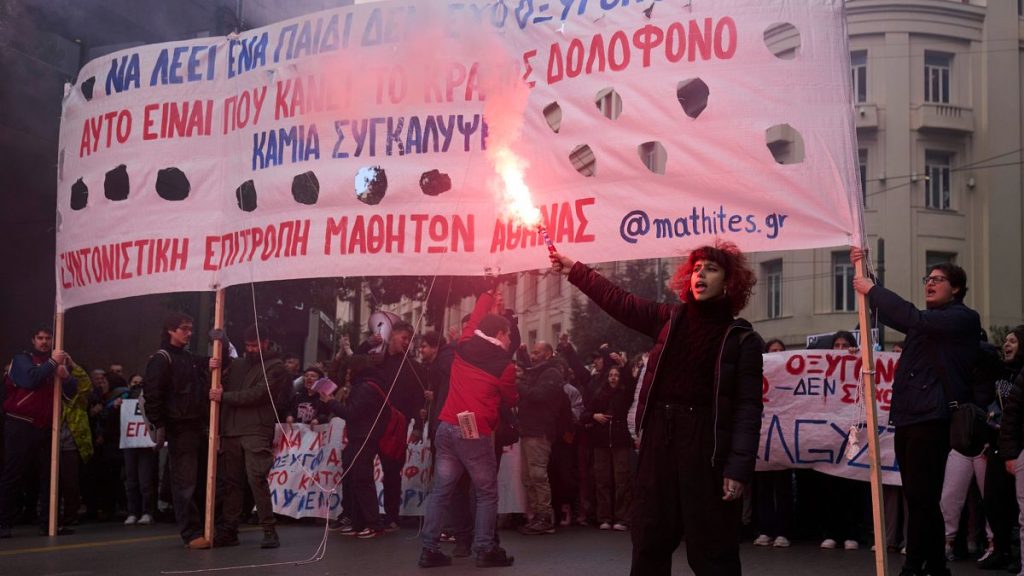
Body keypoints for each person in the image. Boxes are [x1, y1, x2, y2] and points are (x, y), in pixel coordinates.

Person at [551, 240, 764, 576]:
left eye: (711, 269)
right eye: (696, 268)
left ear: (729, 281)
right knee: (649, 540)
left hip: (705, 448)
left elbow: (748, 411)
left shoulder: (742, 340)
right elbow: (621, 302)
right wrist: (575, 271)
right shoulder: (669, 319)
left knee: (712, 551)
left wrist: (737, 470)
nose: (701, 275)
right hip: (659, 443)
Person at [851, 248, 981, 576]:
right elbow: (898, 316)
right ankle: (936, 565)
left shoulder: (961, 318)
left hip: (933, 418)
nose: (930, 284)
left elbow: (910, 317)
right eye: (928, 279)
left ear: (957, 289)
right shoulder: (928, 323)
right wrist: (864, 268)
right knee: (918, 496)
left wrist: (873, 289)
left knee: (921, 496)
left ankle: (912, 566)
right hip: (909, 415)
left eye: (939, 279)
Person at [419, 289, 519, 569]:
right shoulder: (505, 366)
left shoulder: (462, 346)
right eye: (508, 335)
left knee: (442, 490)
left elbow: (476, 319)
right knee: (486, 492)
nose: (510, 340)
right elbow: (511, 398)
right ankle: (485, 548)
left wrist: (488, 294)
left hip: (447, 425)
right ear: (500, 334)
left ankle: (429, 549)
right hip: (473, 431)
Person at [143, 313, 218, 549]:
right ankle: (190, 532)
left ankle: (199, 527)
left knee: (197, 479)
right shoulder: (161, 359)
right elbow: (153, 395)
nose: (189, 333)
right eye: (184, 329)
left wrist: (221, 343)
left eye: (190, 328)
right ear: (171, 331)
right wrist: (160, 425)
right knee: (185, 482)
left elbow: (215, 361)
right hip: (179, 426)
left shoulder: (188, 357)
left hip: (195, 424)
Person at [209, 324, 288, 549]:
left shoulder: (277, 367)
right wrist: (218, 351)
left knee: (256, 479)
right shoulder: (238, 364)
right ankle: (229, 530)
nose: (251, 349)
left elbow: (259, 394)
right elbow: (219, 374)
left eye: (255, 345)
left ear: (265, 342)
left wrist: (225, 397)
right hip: (232, 430)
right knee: (232, 483)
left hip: (255, 430)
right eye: (248, 345)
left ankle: (269, 530)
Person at [0, 328, 80, 538]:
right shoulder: (21, 359)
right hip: (20, 424)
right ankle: (3, 522)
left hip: (45, 427)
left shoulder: (56, 364)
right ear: (33, 340)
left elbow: (71, 393)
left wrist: (66, 375)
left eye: (48, 338)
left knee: (49, 476)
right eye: (40, 338)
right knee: (13, 474)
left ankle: (49, 523)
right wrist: (53, 364)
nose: (44, 342)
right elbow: (31, 380)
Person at [320, 354, 389, 539]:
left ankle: (373, 523)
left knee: (361, 480)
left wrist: (331, 402)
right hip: (362, 436)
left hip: (363, 437)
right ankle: (358, 522)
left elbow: (351, 413)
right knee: (353, 479)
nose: (347, 376)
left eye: (349, 372)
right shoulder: (368, 385)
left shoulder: (364, 388)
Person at [517, 341, 570, 535]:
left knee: (538, 475)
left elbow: (539, 395)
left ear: (548, 354)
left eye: (537, 352)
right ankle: (537, 515)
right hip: (528, 430)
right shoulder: (538, 372)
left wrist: (519, 384)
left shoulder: (552, 374)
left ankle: (545, 517)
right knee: (528, 477)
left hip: (540, 432)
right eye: (533, 351)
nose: (533, 355)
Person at [583, 364, 636, 532]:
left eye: (616, 375)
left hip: (620, 440)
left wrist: (623, 365)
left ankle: (622, 517)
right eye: (610, 375)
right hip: (601, 441)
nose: (613, 377)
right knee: (602, 480)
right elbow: (585, 413)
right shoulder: (600, 394)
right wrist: (594, 415)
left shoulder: (625, 394)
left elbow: (631, 382)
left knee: (622, 480)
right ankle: (604, 517)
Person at [753, 339, 793, 548]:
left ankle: (783, 532)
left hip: (783, 441)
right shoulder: (759, 373)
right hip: (763, 441)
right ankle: (765, 530)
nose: (776, 353)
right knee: (763, 489)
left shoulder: (791, 376)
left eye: (780, 350)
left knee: (783, 489)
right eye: (772, 350)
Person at [998, 325, 1024, 575]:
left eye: (1013, 341)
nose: (1007, 345)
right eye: (1005, 341)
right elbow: (1011, 415)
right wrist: (1009, 453)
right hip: (1015, 450)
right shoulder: (1007, 375)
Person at [123, 373, 158, 526]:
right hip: (130, 443)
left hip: (145, 444)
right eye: (134, 382)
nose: (137, 385)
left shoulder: (151, 398)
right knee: (131, 480)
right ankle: (132, 512)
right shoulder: (125, 396)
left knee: (145, 480)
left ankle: (147, 511)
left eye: (139, 383)